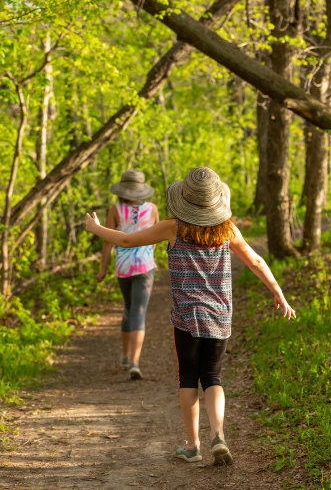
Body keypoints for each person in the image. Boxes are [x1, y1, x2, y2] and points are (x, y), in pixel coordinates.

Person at [86, 167, 295, 465]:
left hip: (186, 316)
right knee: (213, 377)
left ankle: (193, 445)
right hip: (220, 316)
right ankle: (218, 436)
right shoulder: (228, 228)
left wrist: (96, 229)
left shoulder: (174, 227)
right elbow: (256, 261)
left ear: (185, 198)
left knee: (188, 377)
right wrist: (278, 292)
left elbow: (128, 241)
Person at [96, 169, 159, 380]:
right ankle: (134, 362)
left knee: (128, 307)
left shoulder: (115, 209)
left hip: (123, 266)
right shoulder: (152, 209)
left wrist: (103, 268)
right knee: (138, 311)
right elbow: (156, 237)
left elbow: (107, 240)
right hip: (144, 267)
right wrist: (150, 256)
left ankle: (125, 355)